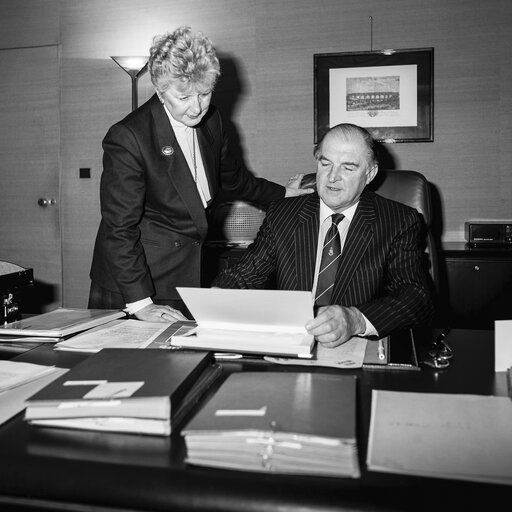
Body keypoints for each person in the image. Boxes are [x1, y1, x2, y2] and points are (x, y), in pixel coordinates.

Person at [88, 26, 311, 322]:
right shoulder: (129, 137)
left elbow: (234, 180)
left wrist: (284, 193)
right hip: (136, 283)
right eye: (183, 97)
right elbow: (119, 229)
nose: (196, 108)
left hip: (186, 271)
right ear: (159, 89)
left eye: (204, 94)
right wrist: (142, 305)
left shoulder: (212, 120)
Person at [213, 123, 434, 347]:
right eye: (325, 163)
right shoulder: (283, 214)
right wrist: (217, 296)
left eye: (348, 168)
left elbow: (415, 297)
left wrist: (355, 319)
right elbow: (246, 274)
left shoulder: (398, 221)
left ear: (370, 174)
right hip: (292, 347)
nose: (332, 177)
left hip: (357, 346)